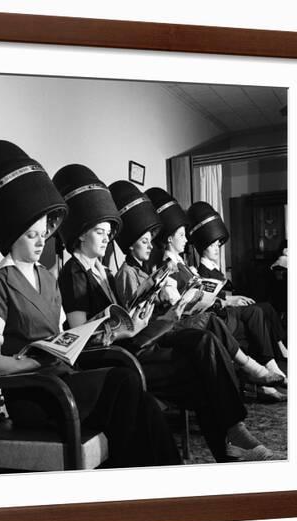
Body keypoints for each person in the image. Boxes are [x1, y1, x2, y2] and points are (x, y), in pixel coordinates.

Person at [0, 140, 181, 469]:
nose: (40, 243)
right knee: (124, 385)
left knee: (145, 404)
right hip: (35, 393)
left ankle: (166, 487)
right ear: (11, 233)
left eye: (43, 234)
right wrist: (35, 364)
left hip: (65, 379)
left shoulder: (48, 280)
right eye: (30, 236)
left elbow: (66, 335)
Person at [53, 167, 275, 462]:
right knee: (202, 355)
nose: (107, 240)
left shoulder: (103, 272)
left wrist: (147, 314)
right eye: (100, 232)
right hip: (118, 356)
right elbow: (80, 337)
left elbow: (122, 314)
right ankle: (233, 438)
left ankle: (231, 443)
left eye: (109, 233)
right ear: (81, 235)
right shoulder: (73, 273)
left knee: (203, 350)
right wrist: (124, 330)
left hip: (134, 343)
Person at [145, 188, 285, 391]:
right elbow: (176, 302)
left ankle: (264, 375)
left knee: (253, 315)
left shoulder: (183, 264)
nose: (186, 240)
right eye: (182, 235)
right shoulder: (167, 266)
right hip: (194, 319)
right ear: (169, 239)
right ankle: (260, 375)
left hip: (205, 312)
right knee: (248, 316)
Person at [186, 201, 288, 402]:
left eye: (218, 245)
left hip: (223, 309)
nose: (217, 249)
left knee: (261, 310)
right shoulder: (199, 271)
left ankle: (270, 367)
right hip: (216, 314)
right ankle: (270, 366)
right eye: (214, 245)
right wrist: (229, 299)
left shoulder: (213, 269)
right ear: (203, 246)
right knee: (258, 311)